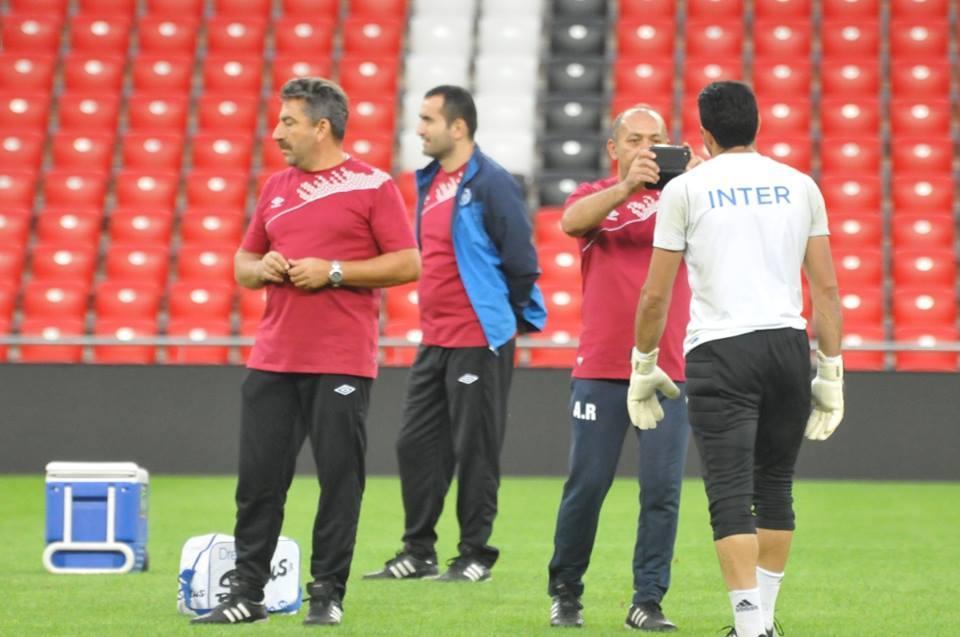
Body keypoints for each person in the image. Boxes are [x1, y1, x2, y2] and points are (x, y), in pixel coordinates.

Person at [191, 77, 421, 627]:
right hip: (272, 358)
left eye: (288, 122)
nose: (277, 133)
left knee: (339, 482)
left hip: (339, 360)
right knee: (258, 484)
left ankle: (326, 593)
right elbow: (243, 264)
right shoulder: (276, 187)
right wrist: (262, 267)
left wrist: (335, 271)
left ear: (321, 127)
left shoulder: (373, 185)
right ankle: (247, 594)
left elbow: (408, 262)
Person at [627, 81, 845, 637]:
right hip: (787, 345)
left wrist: (643, 364)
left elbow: (655, 294)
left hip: (720, 349)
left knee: (729, 494)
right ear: (757, 125)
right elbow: (826, 290)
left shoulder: (686, 189)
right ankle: (763, 624)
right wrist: (831, 371)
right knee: (775, 487)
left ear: (704, 133)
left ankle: (749, 629)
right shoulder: (800, 185)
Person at [364, 85, 546, 583]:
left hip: (478, 337)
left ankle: (475, 554)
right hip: (435, 337)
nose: (419, 129)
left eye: (428, 119)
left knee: (476, 448)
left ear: (458, 127)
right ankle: (418, 551)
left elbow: (522, 262)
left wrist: (498, 318)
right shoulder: (430, 181)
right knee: (415, 444)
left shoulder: (492, 182)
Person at [546, 105, 701, 631]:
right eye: (635, 140)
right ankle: (566, 592)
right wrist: (628, 186)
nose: (646, 149)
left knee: (662, 492)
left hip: (668, 369)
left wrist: (706, 180)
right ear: (614, 148)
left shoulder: (687, 201)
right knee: (587, 485)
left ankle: (648, 601)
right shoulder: (597, 197)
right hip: (602, 368)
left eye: (656, 140)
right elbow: (570, 222)